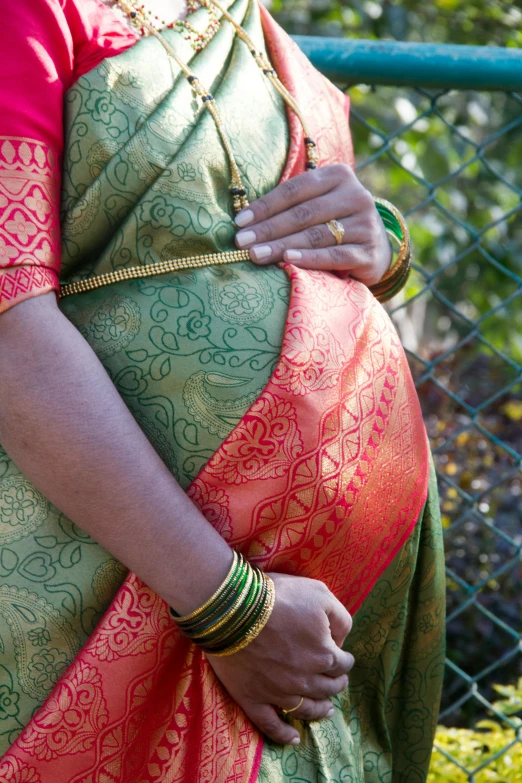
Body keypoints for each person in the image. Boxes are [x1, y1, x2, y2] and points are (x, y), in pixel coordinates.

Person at [0, 0, 445, 781]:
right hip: (121, 584)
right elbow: (8, 329)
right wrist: (227, 607)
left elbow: (277, 230)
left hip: (316, 621)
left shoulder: (244, 20)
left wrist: (381, 246)